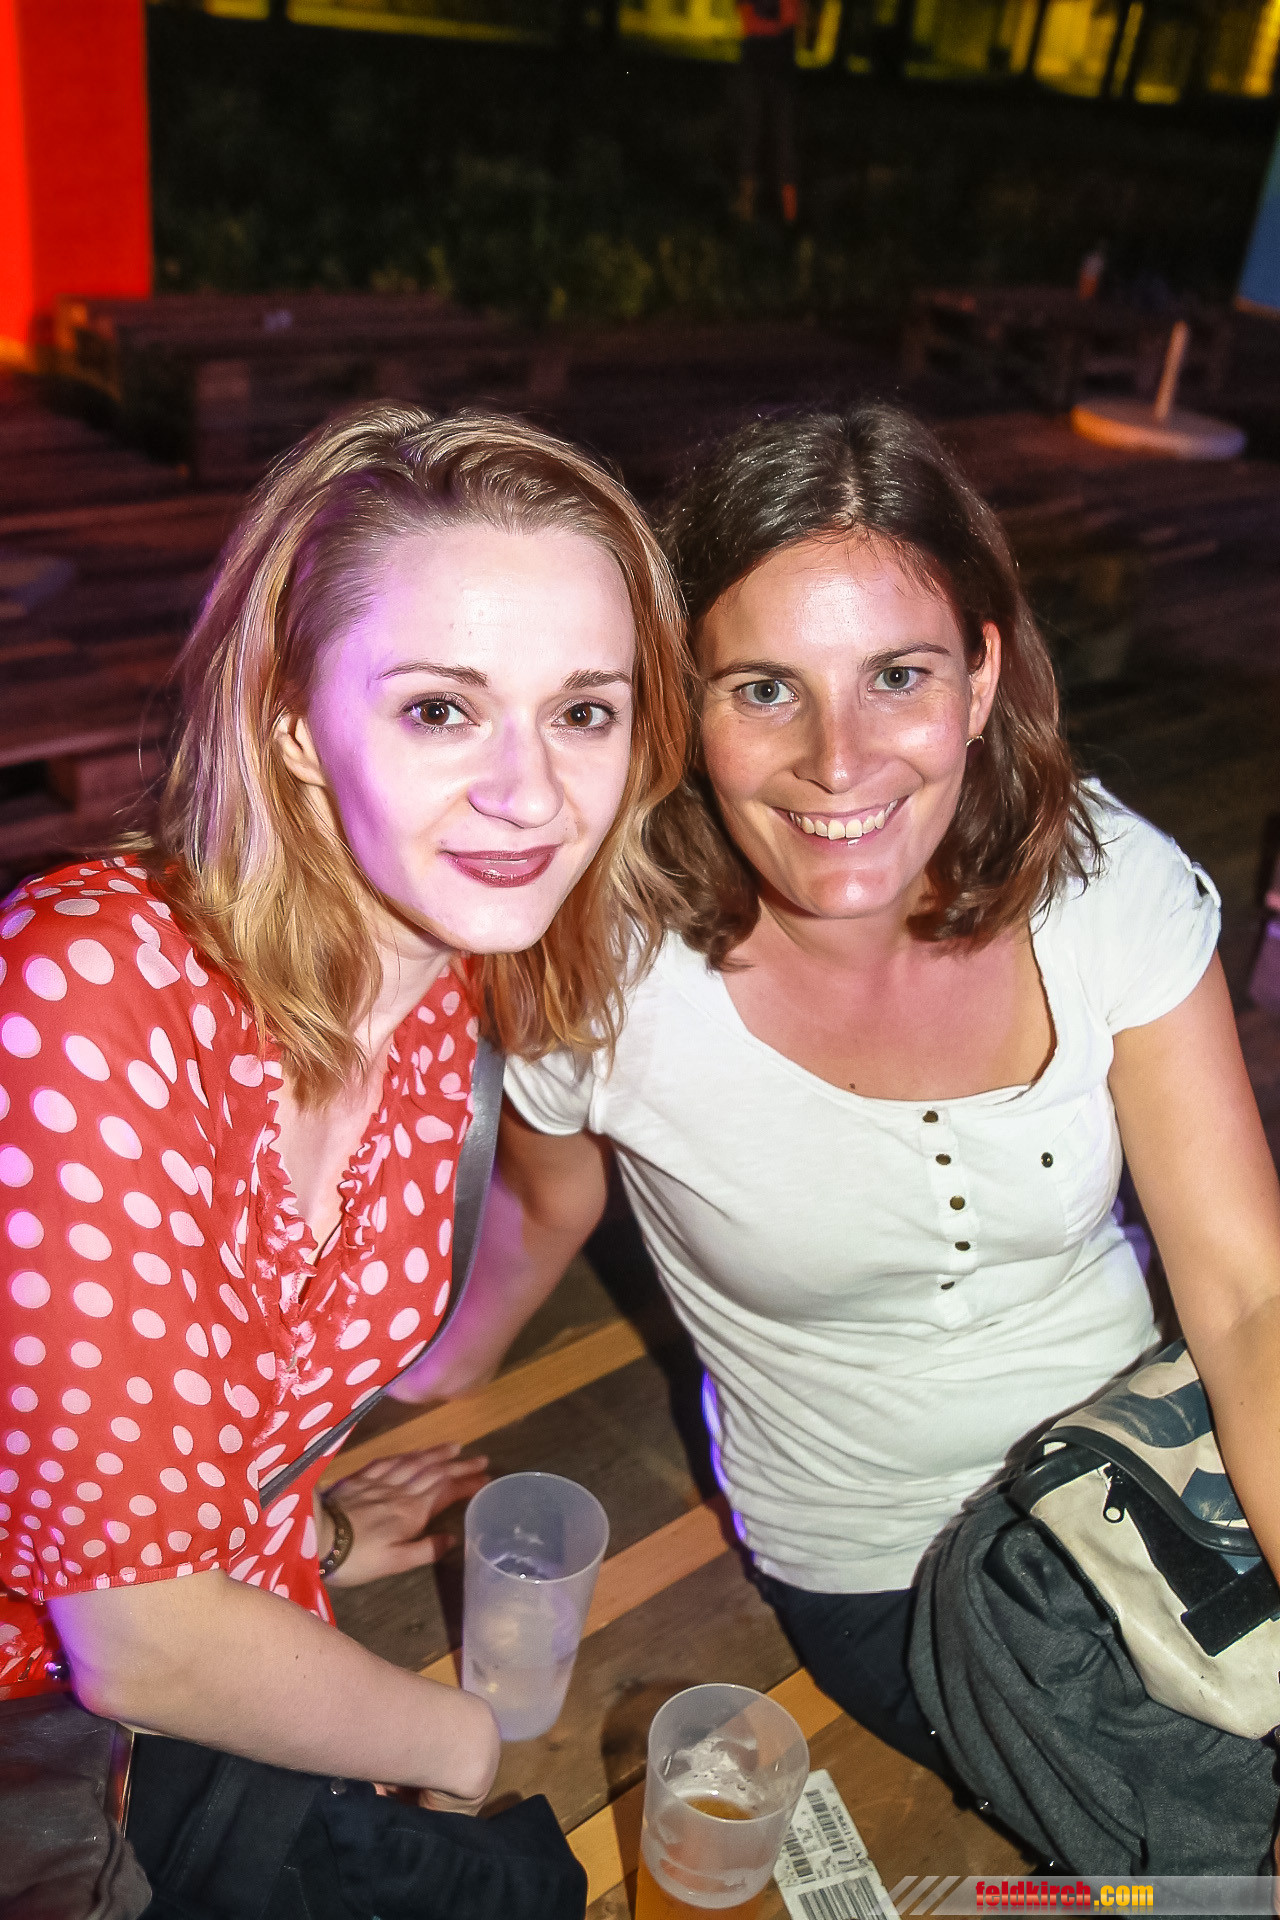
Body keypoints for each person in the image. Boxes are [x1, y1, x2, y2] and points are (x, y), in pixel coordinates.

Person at [402, 403, 1280, 1792]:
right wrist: (438, 1365)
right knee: (1214, 1829)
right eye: (764, 689)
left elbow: (1243, 1301)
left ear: (979, 679)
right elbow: (539, 1194)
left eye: (898, 676)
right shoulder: (604, 971)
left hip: (1157, 1461)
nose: (838, 758)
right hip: (897, 1567)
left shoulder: (1104, 884)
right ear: (682, 704)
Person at [0, 403, 689, 1913]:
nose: (531, 793)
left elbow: (192, 1428)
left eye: (584, 711)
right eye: (441, 709)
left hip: (210, 1634)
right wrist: (454, 1741)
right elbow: (139, 1635)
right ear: (292, 723)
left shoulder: (444, 993)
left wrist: (296, 1526)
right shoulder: (87, 990)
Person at [731, 0, 801, 224]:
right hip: (760, 61)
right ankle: (748, 205)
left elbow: (789, 18)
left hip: (777, 64)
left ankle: (789, 212)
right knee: (752, 132)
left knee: (782, 136)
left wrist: (765, 21)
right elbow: (748, 17)